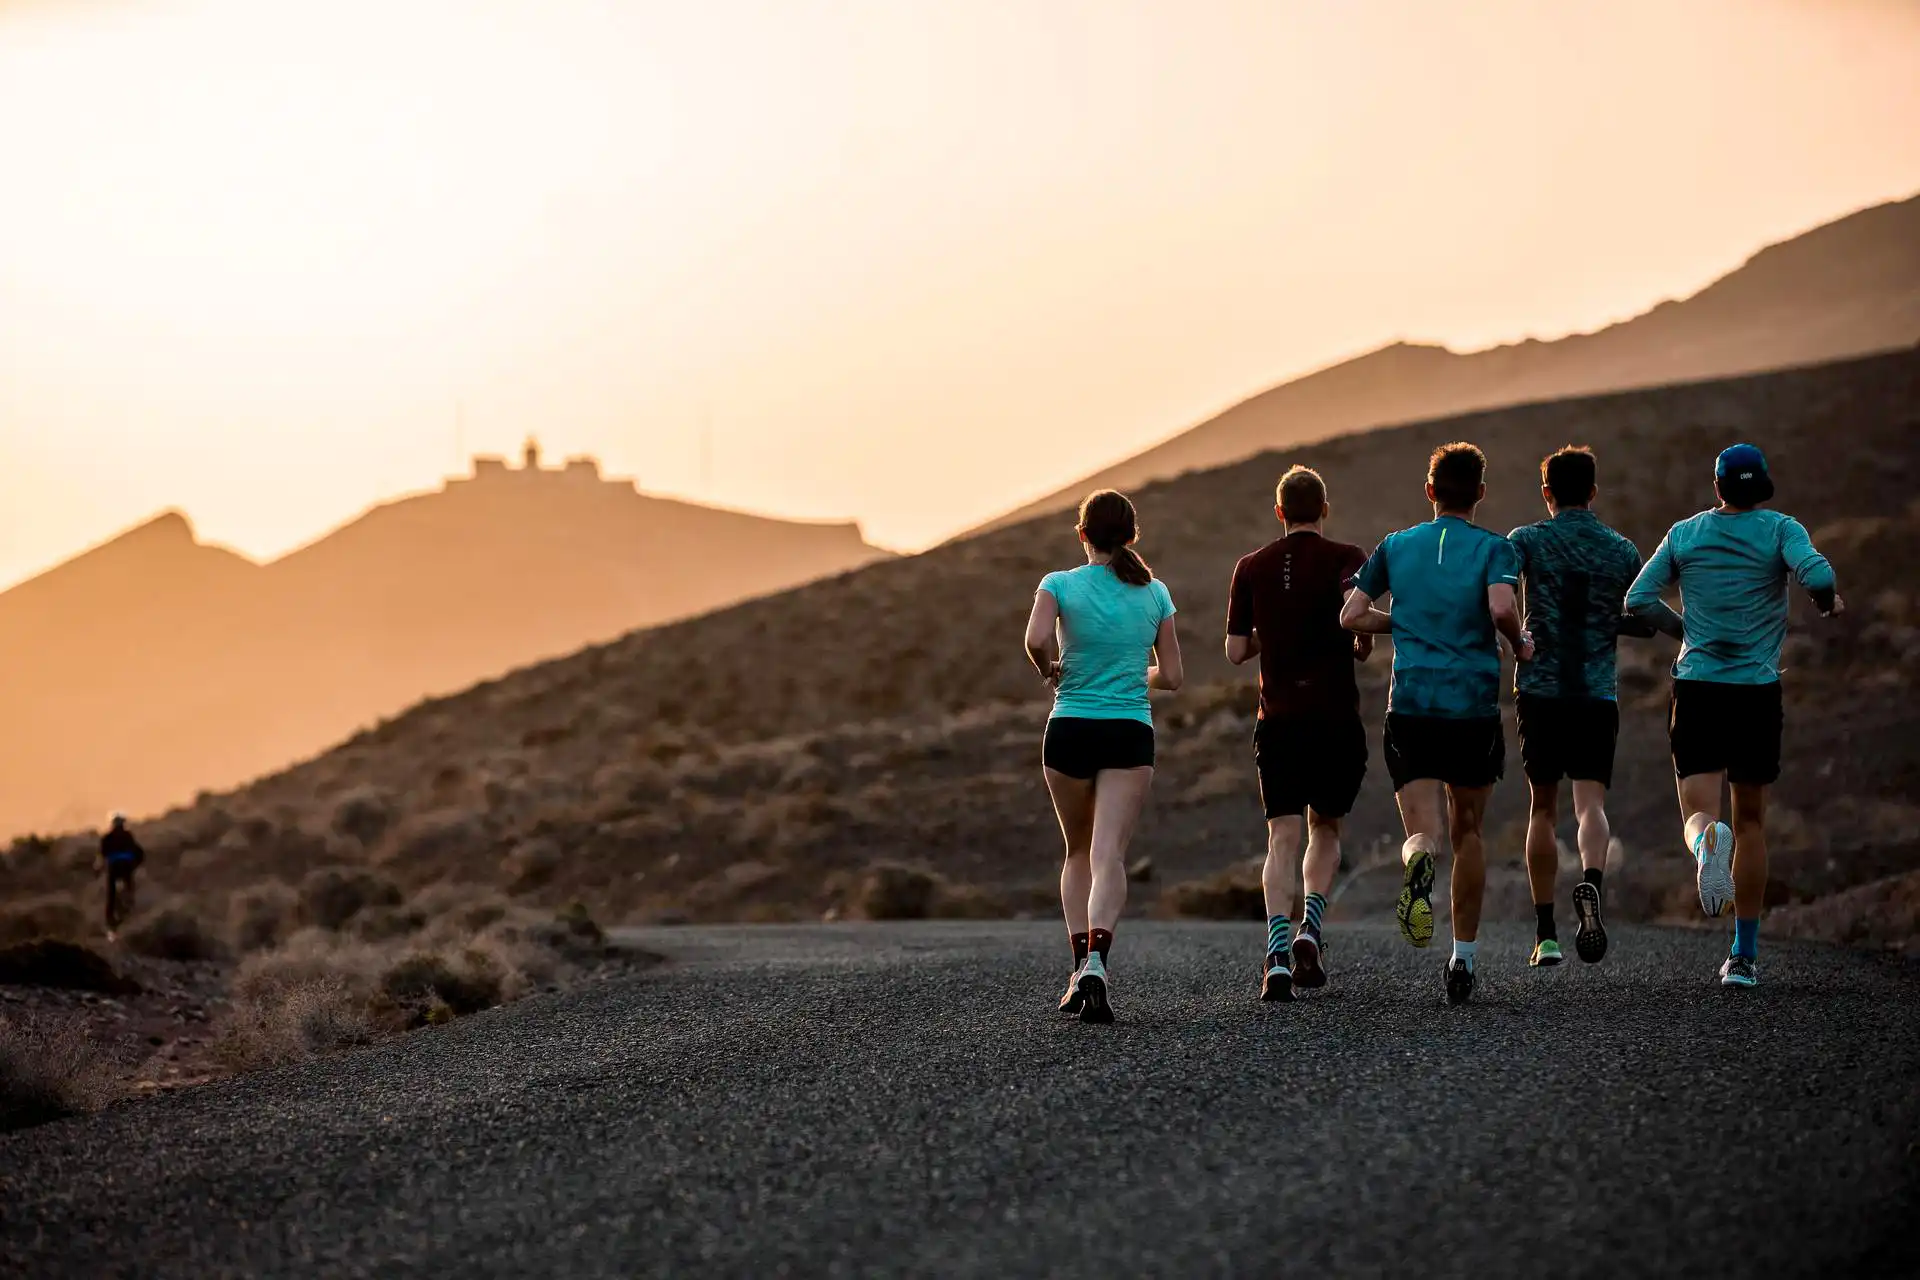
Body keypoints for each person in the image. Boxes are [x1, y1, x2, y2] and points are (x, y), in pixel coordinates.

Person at [1625, 443, 1841, 988]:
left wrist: (1686, 633)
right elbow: (1816, 574)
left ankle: (1704, 845)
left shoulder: (1685, 533)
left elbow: (1638, 598)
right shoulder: (1780, 529)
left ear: (1719, 487)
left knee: (1698, 814)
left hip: (1697, 686)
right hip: (1755, 693)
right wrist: (1825, 600)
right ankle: (1743, 958)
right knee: (1751, 824)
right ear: (1762, 485)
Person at [1341, 442, 1532, 1006]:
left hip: (1412, 705)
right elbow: (1501, 608)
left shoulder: (1395, 546)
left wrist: (1399, 623)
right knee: (1468, 832)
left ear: (1429, 492)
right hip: (1471, 706)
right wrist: (1518, 642)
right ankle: (1462, 961)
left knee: (1421, 831)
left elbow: (1349, 614)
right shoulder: (1496, 548)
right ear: (1479, 493)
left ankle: (1417, 859)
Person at [1025, 489, 1183, 1024]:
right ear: (1131, 535)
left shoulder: (1058, 584)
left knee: (1075, 853)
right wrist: (1140, 675)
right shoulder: (1155, 593)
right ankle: (1096, 960)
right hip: (1127, 732)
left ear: (1082, 534)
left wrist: (1048, 668)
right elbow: (1175, 677)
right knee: (1107, 854)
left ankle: (1078, 966)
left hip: (1069, 727)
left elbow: (1035, 638)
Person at [1224, 465, 1373, 1002]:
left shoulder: (1251, 566)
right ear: (1324, 509)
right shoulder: (1347, 558)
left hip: (1279, 720)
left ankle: (1276, 953)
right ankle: (1311, 925)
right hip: (1334, 717)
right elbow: (1358, 623)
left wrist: (1275, 633)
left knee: (1281, 838)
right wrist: (1355, 643)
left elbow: (1236, 650)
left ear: (1279, 512)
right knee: (1325, 829)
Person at [1507, 446, 1653, 967]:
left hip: (1541, 690)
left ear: (1547, 492)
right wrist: (1608, 621)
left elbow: (1501, 597)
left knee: (1541, 808)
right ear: (1593, 491)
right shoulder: (1621, 550)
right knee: (1590, 806)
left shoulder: (1524, 541)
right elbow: (1643, 615)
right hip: (1595, 691)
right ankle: (1591, 884)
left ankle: (1545, 935)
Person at [98, 812, 145, 940]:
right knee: (127, 893)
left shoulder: (108, 837)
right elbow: (139, 852)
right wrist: (136, 863)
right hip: (126, 869)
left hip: (115, 869)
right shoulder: (128, 836)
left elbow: (103, 853)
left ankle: (111, 922)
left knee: (111, 897)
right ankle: (127, 915)